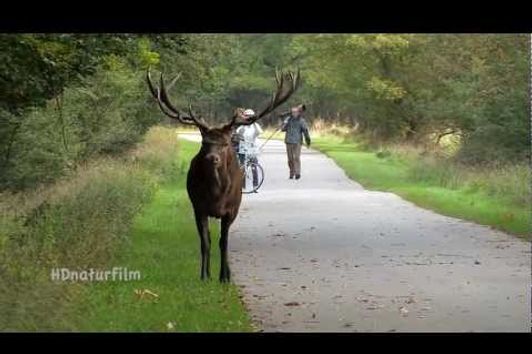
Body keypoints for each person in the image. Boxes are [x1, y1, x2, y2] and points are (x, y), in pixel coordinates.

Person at [281, 104, 311, 180]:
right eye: (293, 112)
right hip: (288, 141)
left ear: (299, 113)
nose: (294, 113)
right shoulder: (288, 119)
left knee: (296, 157)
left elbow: (305, 131)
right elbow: (283, 129)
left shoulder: (301, 121)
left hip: (297, 142)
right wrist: (285, 123)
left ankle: (297, 173)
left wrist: (308, 141)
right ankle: (292, 172)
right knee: (290, 159)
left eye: (296, 112)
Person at [235, 109, 263, 190]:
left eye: (249, 116)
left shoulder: (256, 126)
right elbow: (238, 134)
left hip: (252, 150)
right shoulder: (242, 127)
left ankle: (255, 185)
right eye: (246, 116)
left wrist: (253, 123)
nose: (247, 118)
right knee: (242, 168)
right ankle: (242, 186)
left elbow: (258, 132)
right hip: (243, 150)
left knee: (254, 167)